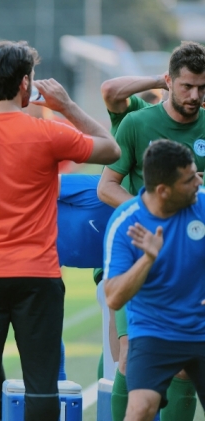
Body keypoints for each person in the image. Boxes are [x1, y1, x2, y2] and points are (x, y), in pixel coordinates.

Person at [0, 40, 120, 421]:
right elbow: (111, 149)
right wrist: (66, 106)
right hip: (38, 276)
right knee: (41, 387)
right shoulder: (48, 134)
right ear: (26, 84)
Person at [97, 41, 205, 421]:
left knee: (183, 371)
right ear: (169, 82)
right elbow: (106, 185)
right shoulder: (138, 122)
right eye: (187, 86)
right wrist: (147, 216)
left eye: (202, 88)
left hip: (194, 256)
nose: (195, 96)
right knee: (127, 357)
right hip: (145, 253)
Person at [103, 140, 205, 421]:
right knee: (139, 410)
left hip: (202, 327)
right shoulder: (125, 223)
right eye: (190, 179)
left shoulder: (203, 204)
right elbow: (114, 297)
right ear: (163, 190)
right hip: (155, 330)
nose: (198, 181)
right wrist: (147, 259)